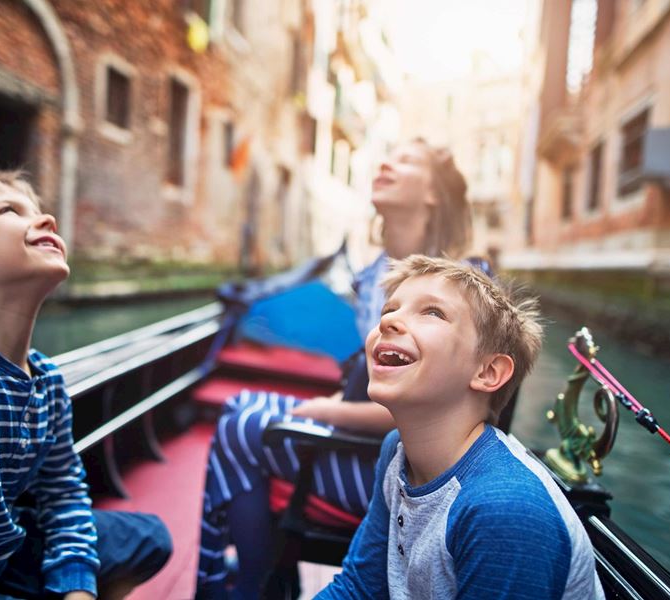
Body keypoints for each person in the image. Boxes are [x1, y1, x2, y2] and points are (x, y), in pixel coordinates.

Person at [196, 139, 474, 599]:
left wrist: (324, 412)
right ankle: (260, 580)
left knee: (242, 426)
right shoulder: (376, 277)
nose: (386, 161)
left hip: (399, 469)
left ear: (433, 194)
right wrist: (326, 407)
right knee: (239, 408)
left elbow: (420, 413)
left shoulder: (457, 289)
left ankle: (248, 587)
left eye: (403, 159)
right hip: (363, 441)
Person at [0, 172, 171, 599]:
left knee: (148, 537)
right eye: (11, 210)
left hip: (1, 550)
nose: (47, 219)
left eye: (38, 209)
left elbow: (63, 493)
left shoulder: (45, 377)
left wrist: (77, 588)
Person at [316, 255, 605, 599]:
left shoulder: (502, 509)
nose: (389, 321)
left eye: (433, 312)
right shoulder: (397, 451)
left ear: (488, 372)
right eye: (388, 310)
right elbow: (360, 588)